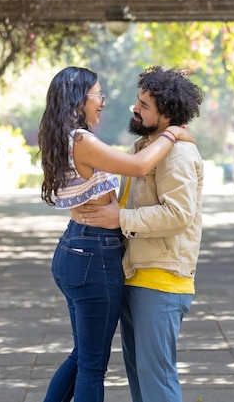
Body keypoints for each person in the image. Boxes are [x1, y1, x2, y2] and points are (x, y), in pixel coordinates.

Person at [37, 66, 195, 402]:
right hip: (94, 255)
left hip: (78, 247)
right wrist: (172, 133)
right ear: (80, 99)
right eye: (98, 95)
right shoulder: (82, 139)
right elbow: (137, 168)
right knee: (92, 364)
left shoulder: (65, 137)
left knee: (83, 357)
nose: (104, 102)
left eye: (143, 104)